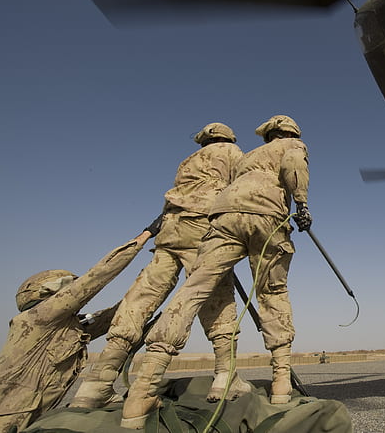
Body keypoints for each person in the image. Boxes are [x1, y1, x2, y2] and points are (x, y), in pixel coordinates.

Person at [120, 115, 312, 429]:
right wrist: (302, 205)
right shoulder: (293, 145)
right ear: (290, 133)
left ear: (267, 135)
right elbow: (294, 167)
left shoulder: (248, 156)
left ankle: (142, 390)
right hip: (267, 217)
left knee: (193, 289)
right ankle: (280, 384)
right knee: (272, 293)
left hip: (224, 217)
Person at [71, 122, 244, 408]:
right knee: (214, 297)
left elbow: (172, 204)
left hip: (169, 230)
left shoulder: (187, 161)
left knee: (141, 298)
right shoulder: (233, 152)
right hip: (203, 229)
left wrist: (149, 231)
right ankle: (224, 376)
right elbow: (241, 192)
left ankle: (96, 384)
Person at [0, 234, 151, 433]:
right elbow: (95, 279)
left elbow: (115, 316)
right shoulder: (35, 319)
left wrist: (152, 277)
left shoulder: (69, 329)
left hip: (25, 422)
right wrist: (144, 237)